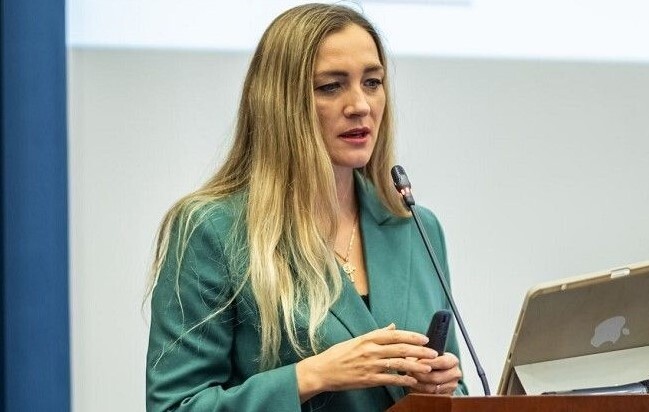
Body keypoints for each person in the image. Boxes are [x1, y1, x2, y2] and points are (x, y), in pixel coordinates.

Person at [146, 3, 466, 411]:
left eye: (372, 82)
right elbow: (176, 406)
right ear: (280, 102)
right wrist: (312, 376)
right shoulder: (212, 230)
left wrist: (439, 389)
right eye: (331, 86)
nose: (360, 105)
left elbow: (457, 391)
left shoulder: (416, 226)